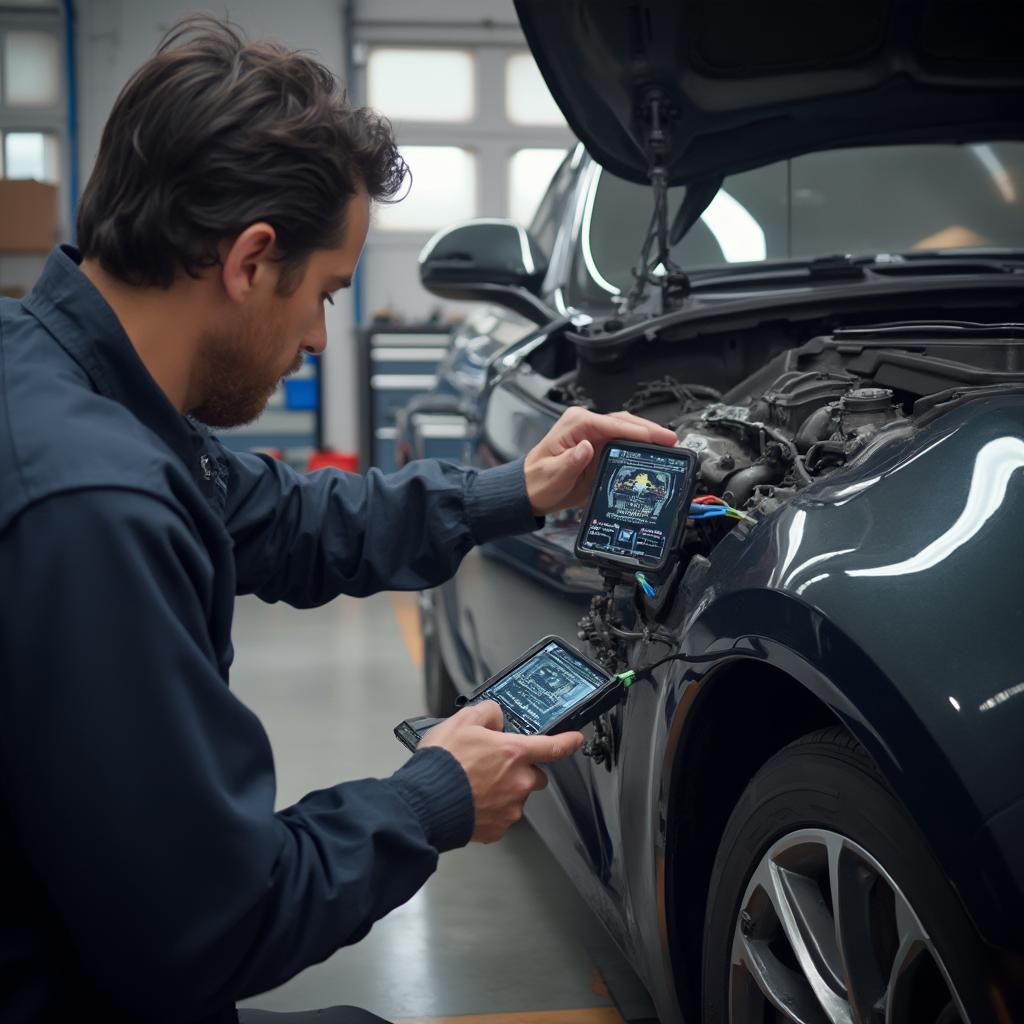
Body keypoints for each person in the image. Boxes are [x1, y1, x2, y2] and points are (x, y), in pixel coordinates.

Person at [0, 15, 678, 1024]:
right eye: (324, 294)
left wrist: (517, 489)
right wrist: (435, 796)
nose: (319, 337)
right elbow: (212, 926)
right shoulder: (94, 511)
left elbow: (281, 517)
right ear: (248, 259)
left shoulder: (58, 374)